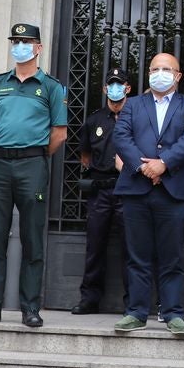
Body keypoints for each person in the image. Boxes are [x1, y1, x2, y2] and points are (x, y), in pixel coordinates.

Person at [0, 22, 67, 328]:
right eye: (15, 40)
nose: (19, 46)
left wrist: (32, 153)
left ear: (38, 48)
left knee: (32, 239)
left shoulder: (50, 86)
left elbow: (59, 134)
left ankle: (30, 307)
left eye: (25, 41)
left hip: (33, 164)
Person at [111, 53, 184, 337]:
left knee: (171, 256)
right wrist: (143, 166)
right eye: (155, 68)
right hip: (136, 189)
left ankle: (173, 312)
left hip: (173, 190)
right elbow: (121, 137)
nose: (159, 73)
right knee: (137, 256)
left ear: (178, 76)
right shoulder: (133, 105)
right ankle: (136, 313)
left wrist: (164, 164)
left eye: (166, 69)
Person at [71, 67, 131, 315]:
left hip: (128, 188)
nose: (115, 89)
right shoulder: (94, 120)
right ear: (105, 89)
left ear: (128, 88)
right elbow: (85, 155)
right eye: (111, 84)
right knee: (95, 246)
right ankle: (89, 299)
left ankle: (133, 302)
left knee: (131, 247)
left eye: (120, 84)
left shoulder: (135, 117)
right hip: (100, 189)